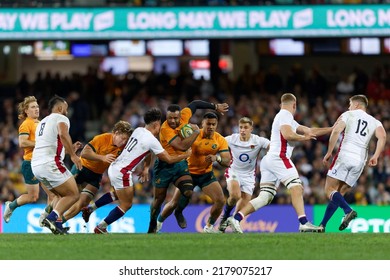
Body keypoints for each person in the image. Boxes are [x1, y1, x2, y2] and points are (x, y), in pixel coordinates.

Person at [227, 93, 332, 233]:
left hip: (269, 160)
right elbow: (287, 134)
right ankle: (304, 222)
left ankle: (236, 218)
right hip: (279, 157)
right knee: (297, 187)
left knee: (265, 196)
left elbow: (310, 130)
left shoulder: (286, 118)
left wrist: (332, 129)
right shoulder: (285, 115)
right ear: (294, 105)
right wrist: (304, 138)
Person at [93, 107, 191, 234]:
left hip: (114, 167)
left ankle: (91, 208)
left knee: (117, 194)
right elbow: (169, 159)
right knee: (126, 205)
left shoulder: (138, 130)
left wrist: (145, 168)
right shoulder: (152, 140)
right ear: (156, 124)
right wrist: (186, 154)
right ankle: (101, 227)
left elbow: (147, 151)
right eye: (160, 124)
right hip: (123, 172)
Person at [147, 100, 229, 233]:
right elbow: (182, 146)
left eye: (175, 118)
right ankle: (157, 222)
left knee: (215, 199)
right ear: (202, 124)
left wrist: (215, 106)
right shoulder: (166, 129)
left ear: (181, 116)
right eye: (169, 118)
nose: (173, 121)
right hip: (172, 165)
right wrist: (195, 133)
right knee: (166, 200)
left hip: (201, 173)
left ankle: (206, 226)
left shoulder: (218, 138)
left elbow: (195, 103)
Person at [319, 95, 386, 231]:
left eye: (350, 104)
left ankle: (348, 210)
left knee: (329, 190)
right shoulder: (374, 121)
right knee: (339, 194)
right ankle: (322, 225)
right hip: (360, 161)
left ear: (356, 105)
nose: (348, 107)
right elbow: (383, 136)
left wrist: (329, 152)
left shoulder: (348, 114)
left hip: (345, 155)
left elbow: (336, 130)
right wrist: (376, 156)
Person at [61, 120, 133, 225]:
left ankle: (60, 223)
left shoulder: (123, 147)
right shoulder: (102, 138)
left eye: (126, 140)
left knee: (83, 203)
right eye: (122, 138)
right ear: (116, 133)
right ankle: (52, 215)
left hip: (96, 175)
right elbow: (84, 153)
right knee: (69, 196)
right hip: (82, 168)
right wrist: (102, 158)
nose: (123, 142)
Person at [31, 95, 82, 235]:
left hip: (36, 165)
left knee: (60, 195)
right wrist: (73, 155)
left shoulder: (42, 123)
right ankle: (50, 218)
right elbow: (63, 134)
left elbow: (52, 147)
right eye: (66, 108)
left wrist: (70, 149)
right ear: (60, 108)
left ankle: (57, 225)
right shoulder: (61, 118)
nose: (67, 111)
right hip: (49, 164)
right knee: (73, 194)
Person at [3, 96, 57, 224]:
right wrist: (41, 142)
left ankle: (47, 219)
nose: (36, 109)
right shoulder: (26, 124)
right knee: (33, 197)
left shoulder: (41, 123)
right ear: (26, 110)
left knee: (54, 195)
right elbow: (22, 142)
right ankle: (11, 206)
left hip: (43, 163)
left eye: (37, 106)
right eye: (33, 107)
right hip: (30, 163)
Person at [218, 117, 270, 233]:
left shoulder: (257, 140)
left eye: (246, 127)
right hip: (234, 171)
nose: (242, 130)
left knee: (244, 203)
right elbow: (217, 142)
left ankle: (232, 221)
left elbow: (271, 146)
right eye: (241, 127)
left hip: (249, 176)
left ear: (251, 129)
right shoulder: (231, 139)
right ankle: (225, 216)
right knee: (235, 195)